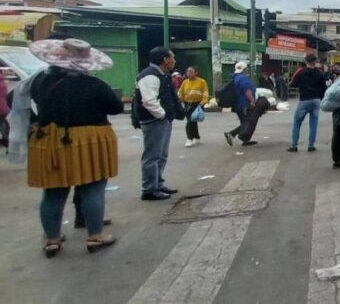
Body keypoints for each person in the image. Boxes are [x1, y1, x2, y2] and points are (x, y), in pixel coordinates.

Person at [26, 38, 122, 257]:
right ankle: (95, 236)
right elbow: (115, 107)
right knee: (92, 189)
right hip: (89, 139)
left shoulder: (40, 80)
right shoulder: (95, 84)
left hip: (50, 139)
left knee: (53, 191)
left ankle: (52, 239)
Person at [133, 46, 184, 201]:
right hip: (154, 120)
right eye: (172, 57)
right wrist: (162, 115)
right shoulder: (150, 76)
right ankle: (149, 189)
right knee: (152, 155)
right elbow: (149, 101)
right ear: (164, 59)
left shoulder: (162, 74)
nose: (174, 61)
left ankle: (158, 183)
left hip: (162, 120)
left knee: (161, 154)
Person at [288, 54, 327, 152]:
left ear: (306, 62)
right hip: (316, 100)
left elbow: (293, 84)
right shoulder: (320, 73)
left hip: (304, 100)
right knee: (313, 124)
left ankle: (294, 146)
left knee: (297, 122)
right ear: (315, 62)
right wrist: (320, 99)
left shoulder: (300, 72)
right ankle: (311, 145)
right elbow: (324, 88)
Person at [223, 61, 257, 147]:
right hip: (243, 104)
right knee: (248, 123)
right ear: (244, 69)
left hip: (237, 104)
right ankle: (231, 134)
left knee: (243, 122)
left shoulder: (234, 77)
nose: (248, 70)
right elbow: (247, 91)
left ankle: (245, 140)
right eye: (247, 68)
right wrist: (252, 101)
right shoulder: (242, 78)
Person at [178, 66, 209, 148]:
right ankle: (195, 137)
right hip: (187, 104)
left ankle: (190, 138)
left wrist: (203, 102)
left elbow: (205, 92)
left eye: (191, 71)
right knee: (191, 121)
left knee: (191, 121)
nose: (188, 73)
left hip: (197, 104)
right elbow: (181, 92)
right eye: (187, 71)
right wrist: (180, 100)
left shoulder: (202, 81)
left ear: (196, 73)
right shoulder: (185, 82)